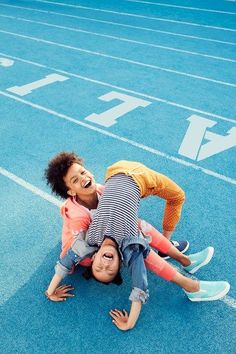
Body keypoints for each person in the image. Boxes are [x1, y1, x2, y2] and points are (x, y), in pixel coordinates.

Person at [45, 160, 230, 330]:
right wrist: (129, 323)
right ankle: (192, 286)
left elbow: (65, 262)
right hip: (140, 180)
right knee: (142, 244)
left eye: (98, 267)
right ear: (120, 262)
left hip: (116, 171)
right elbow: (139, 287)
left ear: (94, 257)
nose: (105, 265)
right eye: (109, 270)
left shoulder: (89, 241)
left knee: (140, 228)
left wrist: (50, 291)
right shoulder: (129, 248)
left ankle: (186, 261)